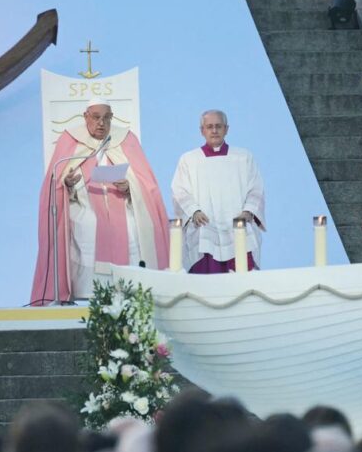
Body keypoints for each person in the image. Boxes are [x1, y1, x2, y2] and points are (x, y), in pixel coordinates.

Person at [30, 98, 169, 305]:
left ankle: (128, 289)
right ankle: (85, 291)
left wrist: (130, 187)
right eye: (96, 118)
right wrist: (67, 184)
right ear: (86, 117)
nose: (101, 123)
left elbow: (146, 183)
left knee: (132, 228)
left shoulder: (125, 139)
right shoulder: (71, 139)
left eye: (106, 118)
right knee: (89, 225)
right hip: (85, 206)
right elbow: (55, 179)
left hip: (122, 207)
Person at [171, 110, 265, 273]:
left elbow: (256, 188)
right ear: (202, 131)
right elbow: (180, 191)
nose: (214, 131)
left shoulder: (243, 157)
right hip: (205, 228)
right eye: (209, 127)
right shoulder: (189, 160)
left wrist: (248, 211)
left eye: (218, 126)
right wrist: (194, 211)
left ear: (226, 129)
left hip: (237, 229)